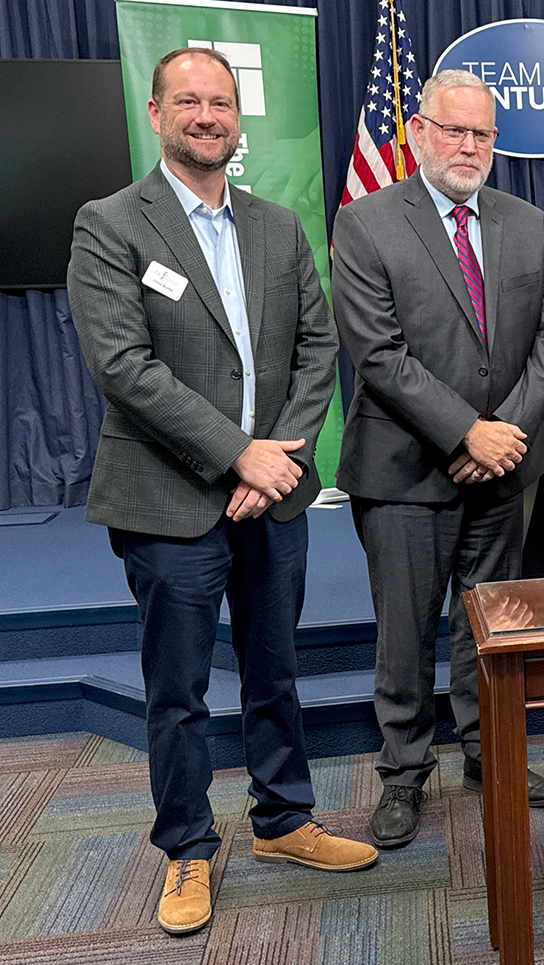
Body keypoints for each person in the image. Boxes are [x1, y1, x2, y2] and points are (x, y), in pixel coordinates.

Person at [66, 48, 375, 936]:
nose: (208, 116)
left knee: (276, 669)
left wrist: (273, 459)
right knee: (180, 690)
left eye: (222, 103)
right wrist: (239, 454)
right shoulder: (111, 223)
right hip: (169, 498)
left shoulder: (279, 226)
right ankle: (188, 850)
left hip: (272, 496)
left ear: (238, 121)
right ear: (156, 113)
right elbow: (122, 367)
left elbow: (319, 349)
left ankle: (282, 820)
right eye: (189, 102)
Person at [331, 69, 544, 850]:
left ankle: (485, 750)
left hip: (504, 470)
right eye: (454, 129)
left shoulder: (526, 222)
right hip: (404, 473)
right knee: (405, 632)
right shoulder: (366, 223)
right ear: (419, 131)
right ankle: (402, 772)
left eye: (483, 134)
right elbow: (378, 353)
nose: (469, 146)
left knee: (489, 624)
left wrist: (501, 435)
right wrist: (468, 432)